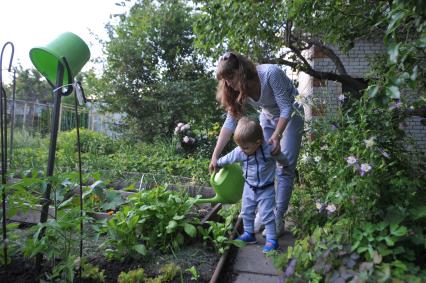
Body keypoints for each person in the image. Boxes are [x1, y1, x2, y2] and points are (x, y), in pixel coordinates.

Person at [209, 51, 304, 237]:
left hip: (291, 115)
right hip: (268, 116)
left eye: (231, 77)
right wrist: (215, 155)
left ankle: (278, 218)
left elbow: (286, 107)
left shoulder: (270, 73)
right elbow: (230, 123)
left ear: (242, 70)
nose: (228, 83)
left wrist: (277, 136)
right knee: (261, 160)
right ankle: (266, 210)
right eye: (225, 80)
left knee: (284, 167)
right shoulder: (237, 90)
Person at [216, 117, 288, 252]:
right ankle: (249, 234)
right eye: (240, 147)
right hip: (249, 187)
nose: (243, 150)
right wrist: (217, 163)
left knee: (267, 214)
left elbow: (281, 158)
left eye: (246, 147)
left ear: (258, 142)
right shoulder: (240, 151)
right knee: (246, 212)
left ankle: (272, 240)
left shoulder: (269, 149)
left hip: (266, 189)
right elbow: (228, 158)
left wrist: (284, 164)